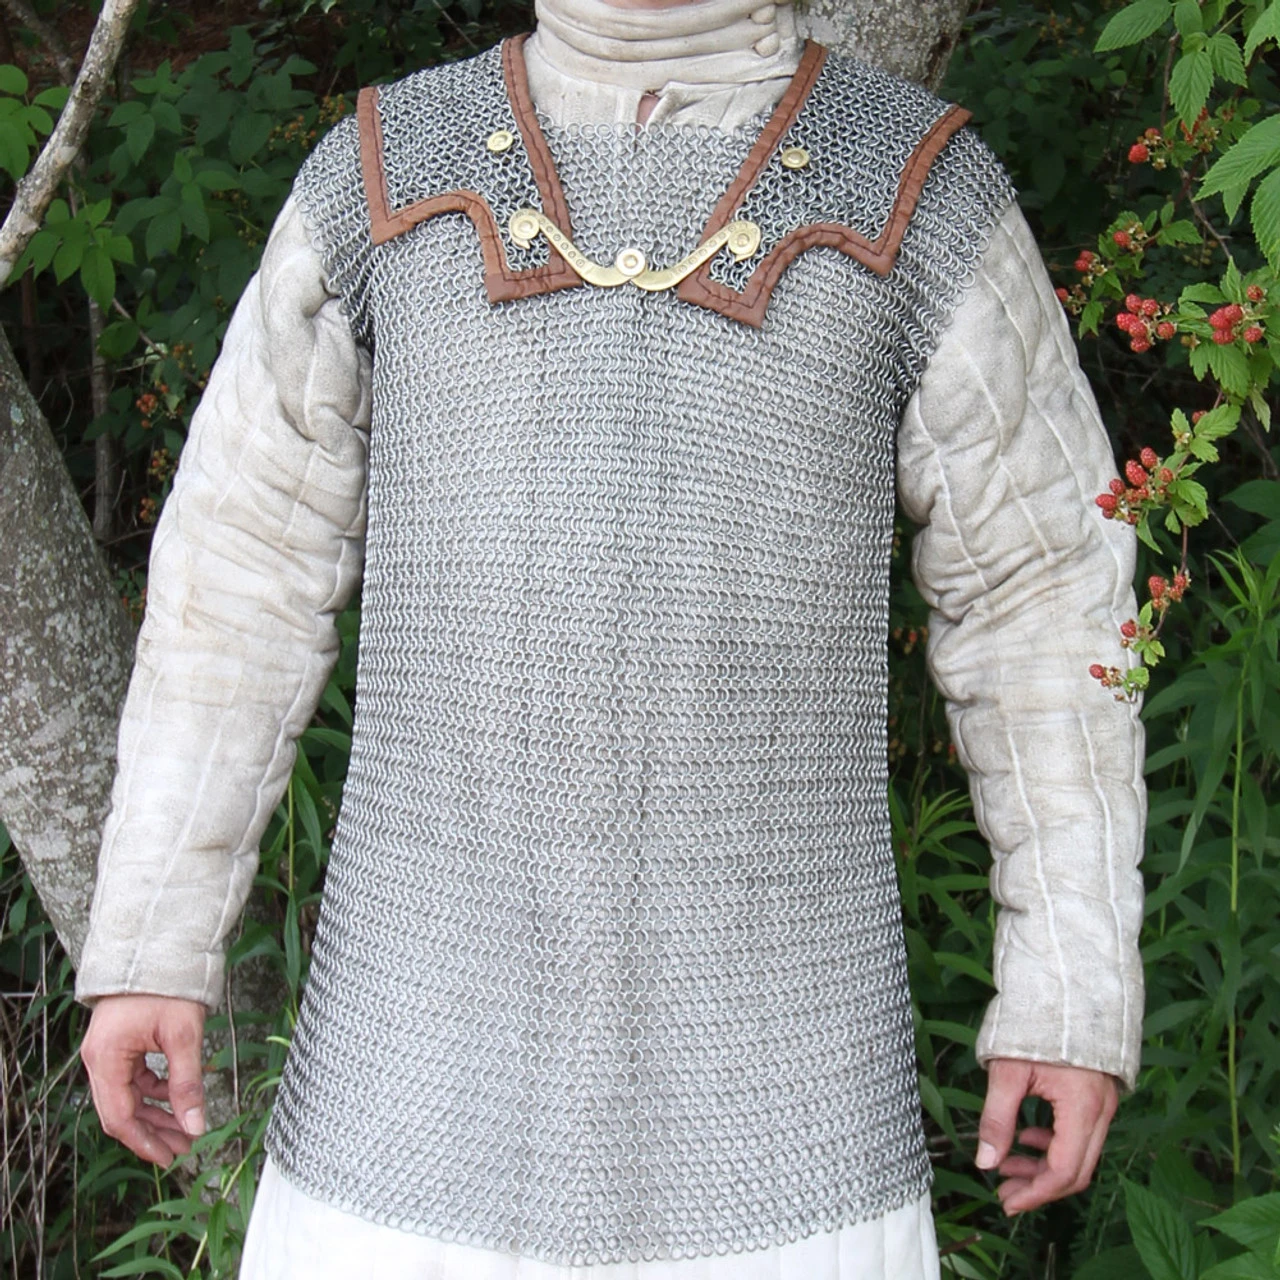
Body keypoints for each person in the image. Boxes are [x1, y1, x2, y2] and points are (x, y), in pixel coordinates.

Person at [74, 0, 1147, 1275]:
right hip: (406, 1093)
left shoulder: (910, 191)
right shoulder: (386, 178)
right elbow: (237, 575)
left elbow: (1041, 597)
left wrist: (1069, 989)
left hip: (779, 1124)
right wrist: (151, 934)